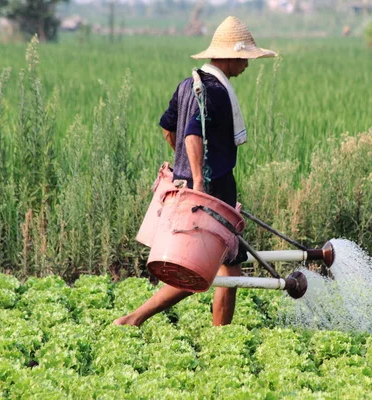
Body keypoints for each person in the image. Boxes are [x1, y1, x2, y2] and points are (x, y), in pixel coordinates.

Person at [113, 16, 277, 327]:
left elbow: (167, 127)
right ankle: (135, 318)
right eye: (245, 58)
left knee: (228, 265)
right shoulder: (214, 91)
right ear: (230, 57)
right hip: (211, 189)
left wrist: (183, 165)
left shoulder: (189, 84)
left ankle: (220, 335)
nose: (247, 65)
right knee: (202, 267)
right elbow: (191, 133)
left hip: (191, 184)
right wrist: (199, 178)